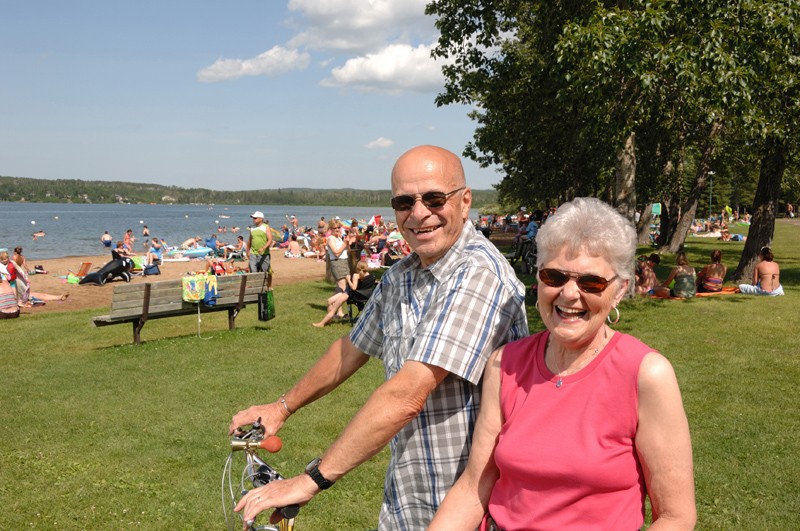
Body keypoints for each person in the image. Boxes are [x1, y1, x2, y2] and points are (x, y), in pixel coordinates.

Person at [230, 145, 529, 529]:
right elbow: (351, 349)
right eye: (404, 202)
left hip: (472, 507)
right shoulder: (402, 274)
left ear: (465, 200)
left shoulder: (478, 274)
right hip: (410, 497)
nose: (419, 213)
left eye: (435, 198)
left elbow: (407, 395)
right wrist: (281, 408)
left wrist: (311, 480)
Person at [429, 197, 696, 530]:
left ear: (619, 291)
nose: (569, 295)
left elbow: (676, 516)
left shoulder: (646, 374)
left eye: (591, 282)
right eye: (554, 276)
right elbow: (474, 487)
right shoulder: (505, 364)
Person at [312, 261, 376, 327]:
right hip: (362, 295)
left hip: (349, 294)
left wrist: (348, 280)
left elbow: (354, 288)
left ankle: (322, 323)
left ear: (357, 268)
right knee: (329, 301)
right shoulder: (371, 276)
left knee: (334, 308)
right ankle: (329, 320)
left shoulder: (356, 275)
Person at [325, 219, 350, 293]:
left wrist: (347, 243)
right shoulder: (331, 239)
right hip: (337, 263)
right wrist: (344, 244)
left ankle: (335, 304)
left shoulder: (339, 238)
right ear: (330, 229)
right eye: (335, 228)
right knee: (342, 287)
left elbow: (346, 250)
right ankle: (333, 303)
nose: (337, 229)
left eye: (338, 227)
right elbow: (336, 253)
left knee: (341, 287)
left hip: (344, 262)